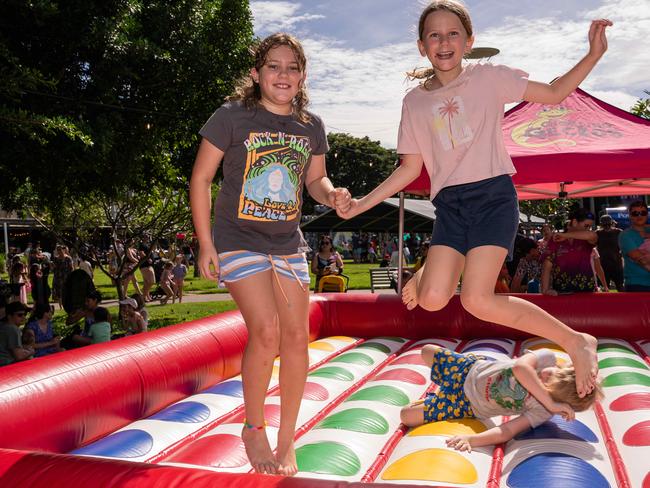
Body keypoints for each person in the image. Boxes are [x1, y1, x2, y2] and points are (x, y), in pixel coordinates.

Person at [339, 1, 610, 397]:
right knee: (431, 300)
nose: (443, 42)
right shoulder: (414, 102)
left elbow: (553, 93)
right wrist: (363, 202)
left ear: (469, 42)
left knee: (478, 300)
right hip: (449, 205)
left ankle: (575, 340)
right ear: (421, 46)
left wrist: (593, 55)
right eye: (434, 34)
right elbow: (409, 169)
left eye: (453, 34)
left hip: (492, 196)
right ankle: (426, 273)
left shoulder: (488, 78)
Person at [189, 32, 351, 476]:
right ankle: (254, 427)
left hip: (287, 244)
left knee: (297, 337)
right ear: (257, 73)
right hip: (237, 238)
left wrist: (332, 192)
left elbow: (315, 182)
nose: (283, 75)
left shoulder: (311, 126)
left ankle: (287, 440)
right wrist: (206, 243)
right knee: (266, 331)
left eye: (292, 68)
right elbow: (201, 178)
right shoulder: (232, 116)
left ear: (302, 77)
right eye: (274, 66)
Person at [400, 345, 603, 452]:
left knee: (406, 416)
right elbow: (519, 368)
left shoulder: (543, 411)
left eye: (549, 388)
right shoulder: (547, 358)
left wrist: (472, 439)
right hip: (468, 369)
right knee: (426, 350)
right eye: (552, 374)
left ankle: (434, 398)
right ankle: (439, 391)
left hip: (466, 404)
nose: (545, 377)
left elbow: (507, 431)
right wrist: (550, 400)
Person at [541, 208, 598, 295]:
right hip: (561, 292)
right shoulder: (555, 239)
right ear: (574, 222)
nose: (588, 229)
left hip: (587, 292)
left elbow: (592, 235)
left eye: (590, 227)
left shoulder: (586, 239)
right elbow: (547, 264)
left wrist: (566, 235)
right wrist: (545, 290)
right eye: (586, 226)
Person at [619, 200, 650, 291]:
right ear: (630, 215)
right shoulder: (625, 235)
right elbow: (642, 261)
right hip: (637, 285)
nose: (639, 216)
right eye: (635, 213)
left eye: (643, 213)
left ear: (647, 214)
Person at [0, 301, 35, 366]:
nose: (23, 317)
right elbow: (19, 356)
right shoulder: (12, 329)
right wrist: (31, 351)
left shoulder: (3, 326)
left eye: (25, 314)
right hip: (6, 366)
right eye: (20, 315)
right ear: (9, 316)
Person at [596, 215, 623, 291]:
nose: (607, 226)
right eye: (605, 225)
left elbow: (624, 246)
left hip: (616, 264)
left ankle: (624, 302)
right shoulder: (598, 233)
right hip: (603, 265)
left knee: (620, 287)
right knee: (604, 288)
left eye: (609, 224)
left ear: (612, 223)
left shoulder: (618, 232)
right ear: (601, 225)